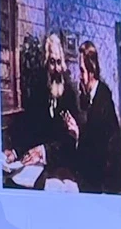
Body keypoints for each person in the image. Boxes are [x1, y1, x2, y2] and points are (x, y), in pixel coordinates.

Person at [5, 32, 79, 174]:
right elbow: (31, 129)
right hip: (39, 166)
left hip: (62, 166)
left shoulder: (70, 93)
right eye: (52, 62)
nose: (56, 68)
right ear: (46, 63)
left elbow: (71, 139)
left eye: (59, 62)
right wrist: (15, 151)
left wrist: (44, 151)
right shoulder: (39, 89)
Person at [72, 40, 121, 194]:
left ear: (91, 71)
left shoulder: (102, 100)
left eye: (81, 71)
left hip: (105, 185)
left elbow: (96, 152)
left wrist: (77, 134)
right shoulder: (92, 96)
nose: (79, 77)